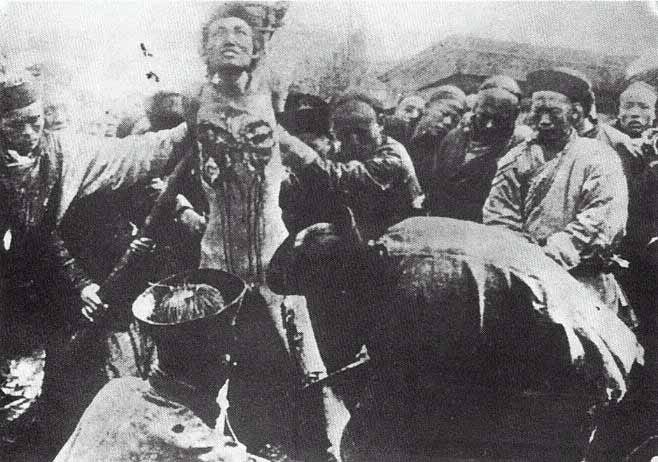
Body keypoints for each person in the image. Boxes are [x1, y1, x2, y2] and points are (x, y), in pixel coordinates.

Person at [269, 216, 643, 461]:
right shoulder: (404, 235)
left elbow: (421, 399)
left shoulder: (416, 291)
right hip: (558, 337)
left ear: (336, 281)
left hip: (577, 365)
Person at [173, 4, 342, 460]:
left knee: (293, 351)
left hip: (271, 249)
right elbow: (177, 158)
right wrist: (182, 205)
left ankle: (313, 446)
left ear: (256, 49)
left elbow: (280, 130)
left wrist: (311, 160)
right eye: (219, 34)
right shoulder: (193, 98)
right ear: (204, 49)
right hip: (217, 251)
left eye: (241, 33)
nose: (230, 40)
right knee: (218, 354)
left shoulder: (272, 86)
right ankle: (218, 445)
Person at [0, 72, 189, 459]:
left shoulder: (61, 154)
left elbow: (134, 157)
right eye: (16, 125)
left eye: (35, 121)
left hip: (45, 302)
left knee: (49, 396)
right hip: (12, 299)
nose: (29, 133)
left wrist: (194, 126)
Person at [53, 269, 268, 462]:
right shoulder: (204, 449)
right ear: (214, 355)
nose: (229, 356)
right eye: (224, 345)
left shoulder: (116, 390)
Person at [482, 68, 629, 319]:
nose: (544, 121)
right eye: (538, 112)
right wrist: (524, 260)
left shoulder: (598, 156)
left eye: (553, 112)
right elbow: (498, 216)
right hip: (523, 277)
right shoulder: (515, 159)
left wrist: (551, 256)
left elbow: (602, 217)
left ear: (576, 113)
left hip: (583, 281)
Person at [426, 85, 520, 221]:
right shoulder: (454, 138)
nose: (489, 125)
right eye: (484, 116)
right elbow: (436, 181)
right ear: (474, 110)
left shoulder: (515, 149)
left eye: (499, 119)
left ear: (513, 117)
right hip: (442, 221)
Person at [408, 85, 467, 191]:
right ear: (427, 108)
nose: (448, 122)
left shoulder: (450, 151)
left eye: (454, 119)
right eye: (444, 114)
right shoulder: (403, 133)